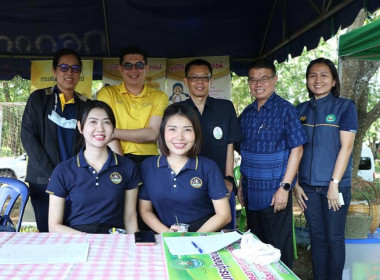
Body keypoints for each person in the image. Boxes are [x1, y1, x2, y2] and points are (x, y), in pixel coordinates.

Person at [237, 59, 307, 268]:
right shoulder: (247, 113)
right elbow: (245, 153)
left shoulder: (286, 110)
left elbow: (298, 149)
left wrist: (285, 187)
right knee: (255, 248)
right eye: (253, 80)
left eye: (264, 79)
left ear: (274, 80)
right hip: (251, 193)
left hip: (275, 193)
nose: (258, 84)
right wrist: (241, 183)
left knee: (277, 250)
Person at [294, 58, 357, 280]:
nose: (317, 80)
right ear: (307, 81)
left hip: (335, 187)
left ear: (333, 81)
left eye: (323, 75)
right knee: (317, 237)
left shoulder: (345, 106)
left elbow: (347, 148)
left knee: (334, 237)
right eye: (312, 75)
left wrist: (334, 184)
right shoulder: (299, 110)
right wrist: (296, 184)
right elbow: (295, 150)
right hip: (308, 188)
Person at [46, 101, 141, 234]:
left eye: (106, 122)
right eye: (93, 122)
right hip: (77, 240)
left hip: (114, 240)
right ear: (80, 127)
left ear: (113, 128)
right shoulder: (63, 170)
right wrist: (87, 239)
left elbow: (130, 219)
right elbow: (54, 226)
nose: (100, 128)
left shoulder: (127, 167)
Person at [21, 48, 88, 232]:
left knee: (75, 231)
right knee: (48, 233)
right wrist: (53, 174)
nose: (69, 72)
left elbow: (89, 142)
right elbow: (28, 137)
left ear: (80, 73)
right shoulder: (39, 99)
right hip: (43, 180)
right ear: (54, 70)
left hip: (76, 182)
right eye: (64, 67)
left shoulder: (85, 105)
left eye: (75, 68)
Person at [138, 103, 231, 233]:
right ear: (163, 132)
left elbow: (224, 215)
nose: (180, 137)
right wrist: (167, 234)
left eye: (187, 130)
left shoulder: (208, 167)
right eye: (172, 129)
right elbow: (145, 210)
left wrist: (193, 238)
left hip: (203, 235)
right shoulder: (148, 166)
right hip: (165, 235)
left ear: (196, 134)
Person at [180, 59, 241, 229]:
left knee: (223, 234)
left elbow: (230, 144)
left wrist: (229, 178)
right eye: (194, 77)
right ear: (186, 81)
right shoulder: (178, 110)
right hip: (188, 185)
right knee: (191, 233)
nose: (200, 82)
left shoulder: (225, 107)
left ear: (211, 81)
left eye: (204, 77)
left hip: (220, 184)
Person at [97, 45, 169, 163]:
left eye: (139, 65)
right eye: (128, 65)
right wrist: (121, 163)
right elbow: (105, 130)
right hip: (115, 156)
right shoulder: (107, 93)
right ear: (121, 69)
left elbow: (153, 134)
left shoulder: (160, 96)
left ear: (146, 68)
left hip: (149, 160)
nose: (134, 70)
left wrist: (113, 132)